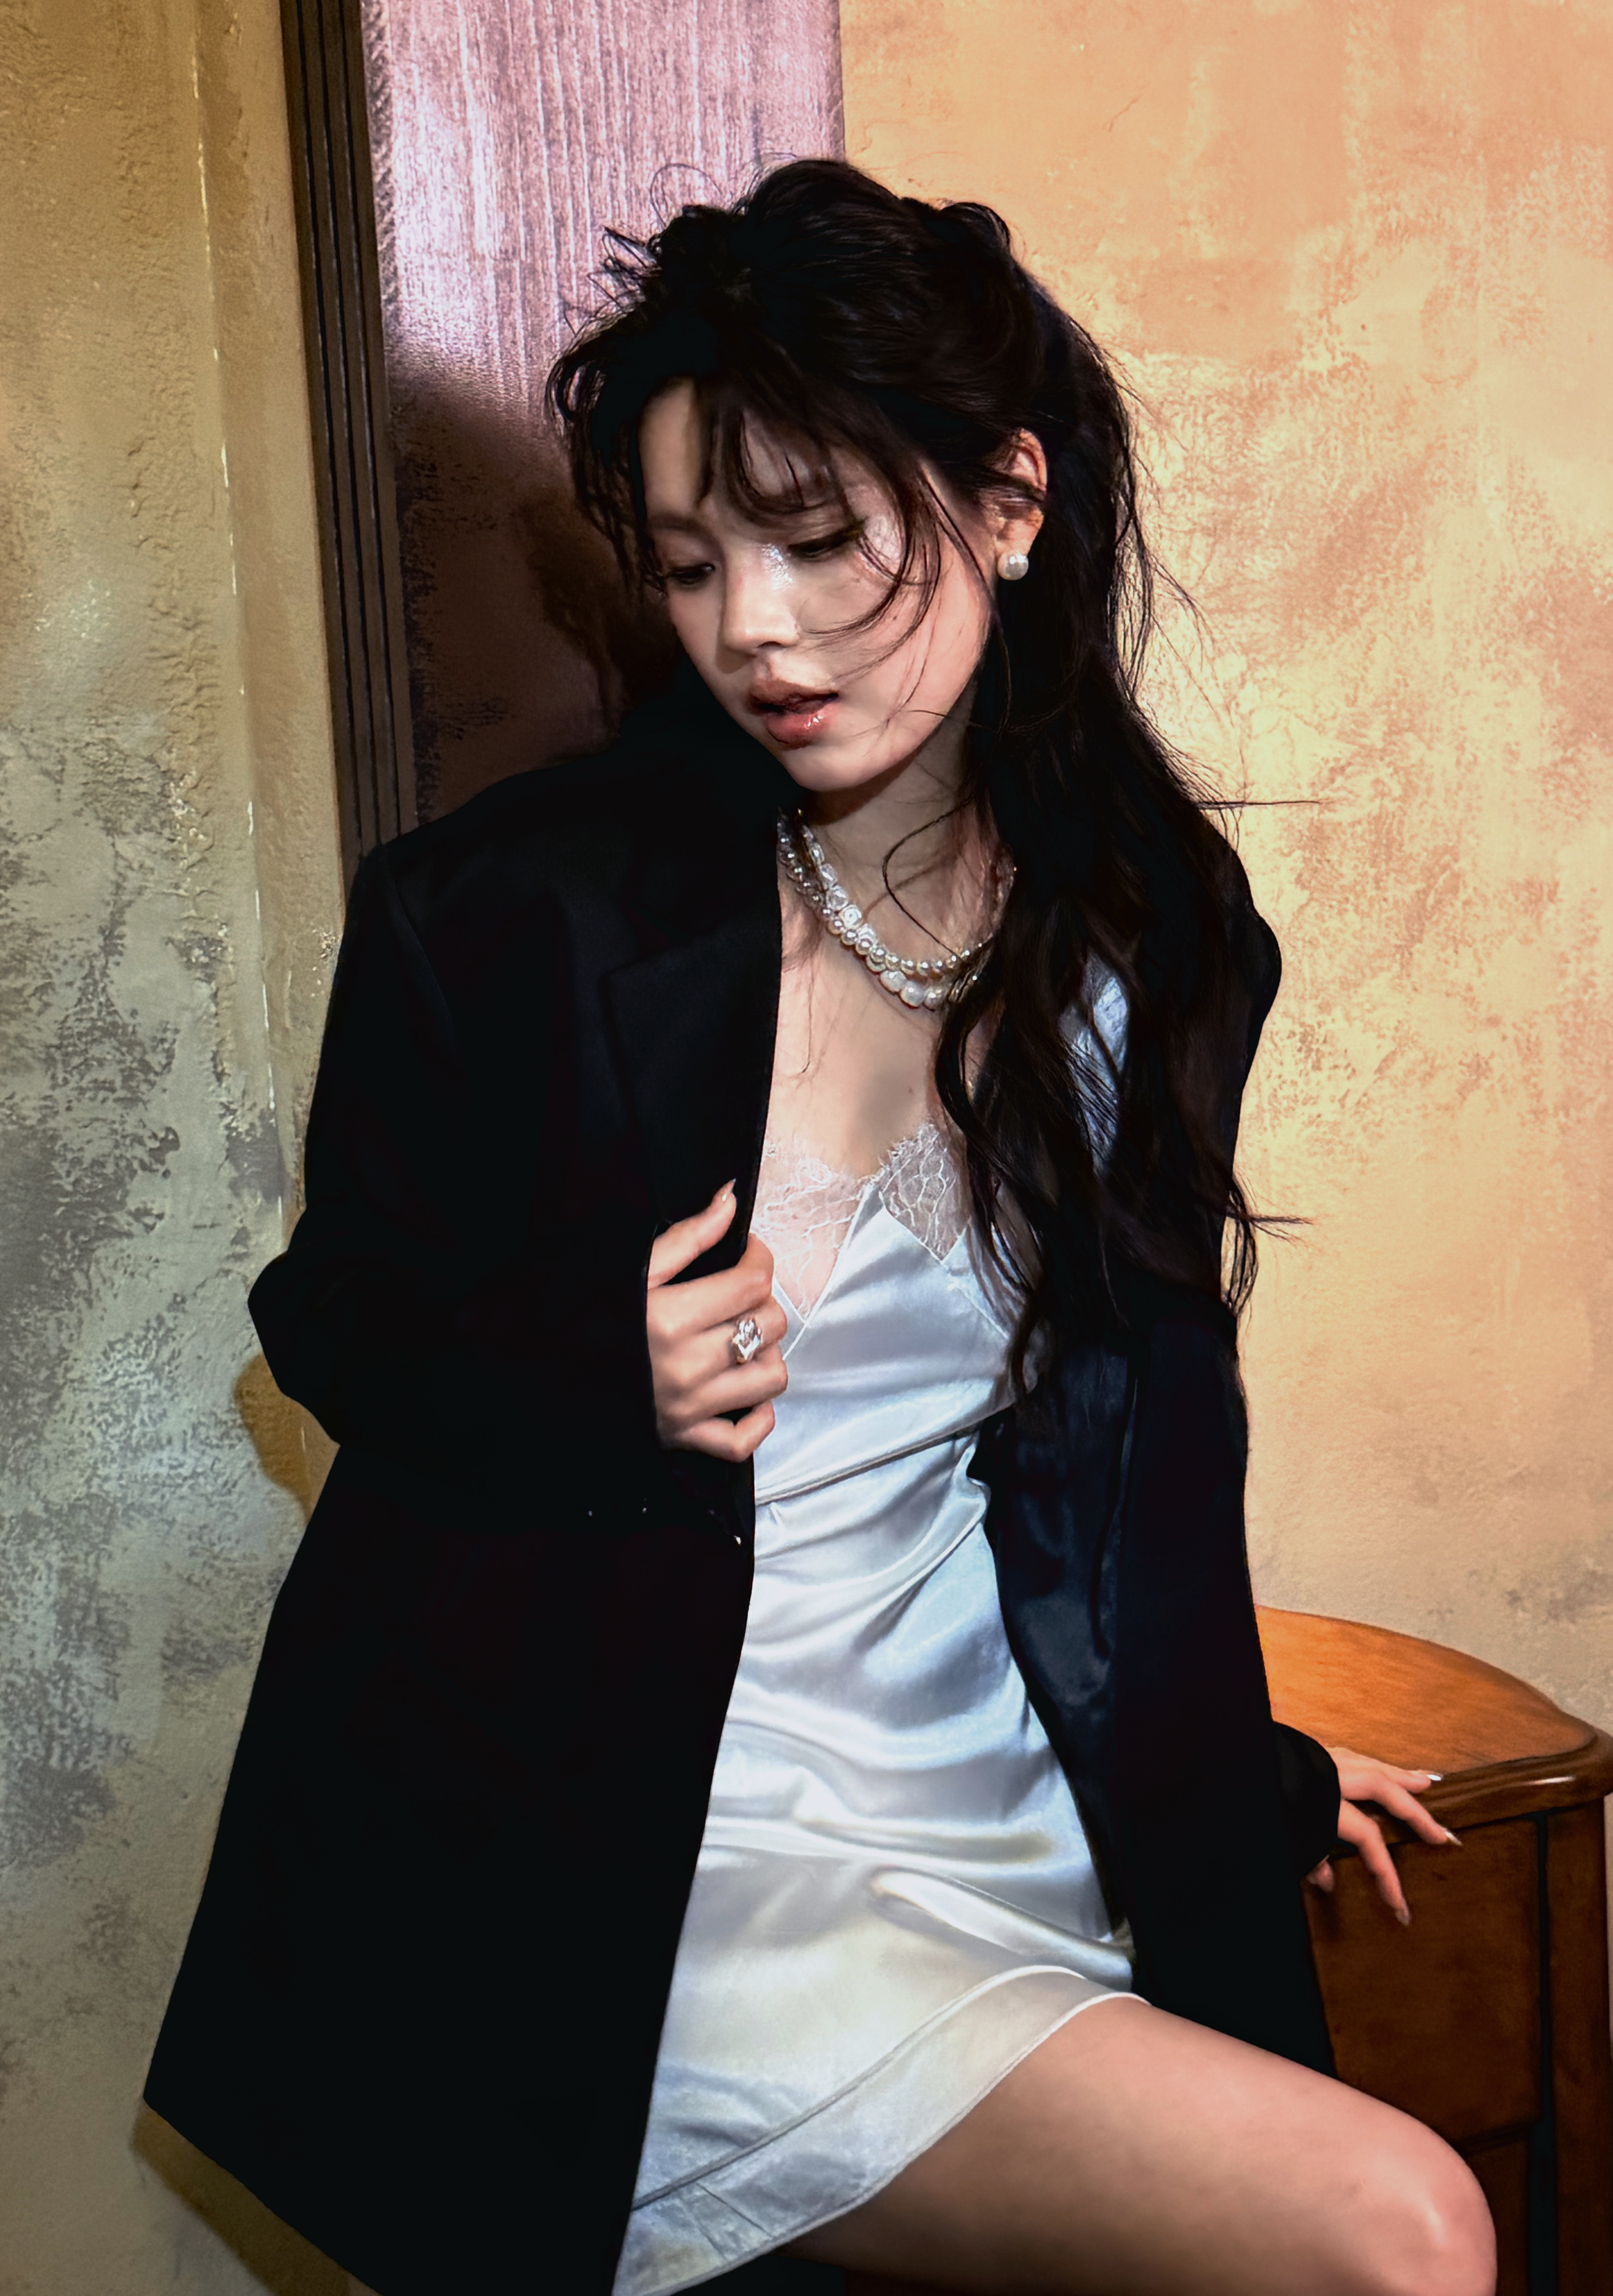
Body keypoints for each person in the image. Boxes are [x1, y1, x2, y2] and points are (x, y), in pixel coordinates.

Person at [144, 161, 1495, 2296]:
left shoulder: (1151, 936)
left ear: (1011, 501)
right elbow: (331, 1320)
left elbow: (1123, 1470)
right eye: (692, 563)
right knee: (1400, 2228)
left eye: (814, 538)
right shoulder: (507, 913)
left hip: (988, 1786)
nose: (751, 631)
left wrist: (1236, 1771)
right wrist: (596, 1368)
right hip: (659, 1840)